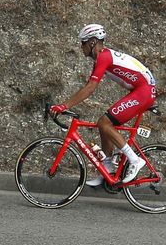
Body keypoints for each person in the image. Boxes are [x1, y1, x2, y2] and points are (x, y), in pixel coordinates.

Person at [49, 24, 156, 185]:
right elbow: (88, 86)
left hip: (144, 91)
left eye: (83, 43)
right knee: (104, 123)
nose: (81, 47)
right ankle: (108, 168)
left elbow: (90, 89)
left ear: (92, 42)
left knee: (104, 122)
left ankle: (134, 160)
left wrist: (64, 106)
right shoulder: (102, 57)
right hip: (141, 90)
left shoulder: (104, 57)